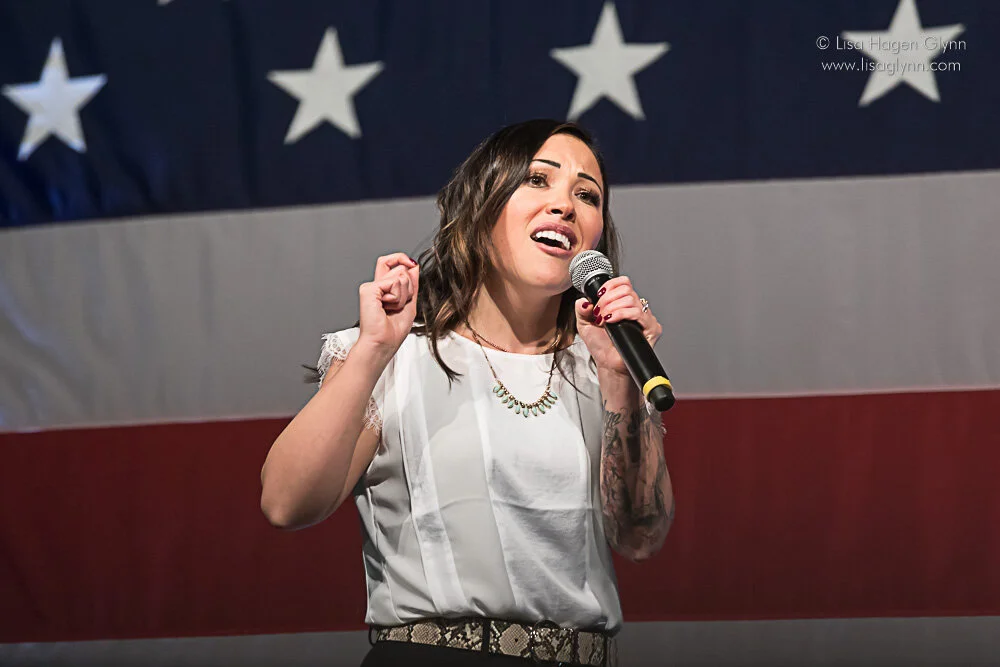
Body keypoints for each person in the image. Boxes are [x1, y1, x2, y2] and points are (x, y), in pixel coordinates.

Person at [260, 119, 675, 666]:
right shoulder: (397, 354)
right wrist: (371, 351)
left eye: (587, 195)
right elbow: (286, 503)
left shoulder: (604, 366)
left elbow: (640, 537)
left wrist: (621, 383)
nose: (565, 206)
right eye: (537, 180)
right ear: (481, 208)